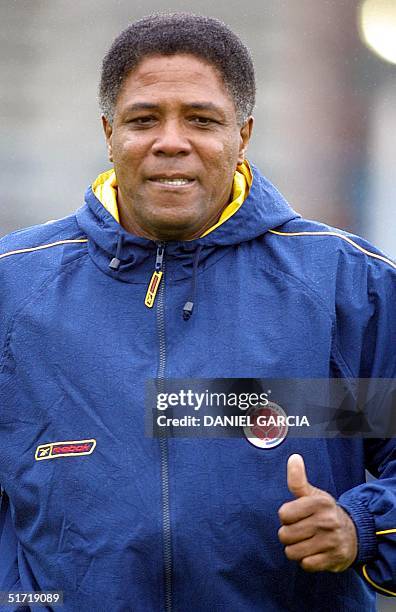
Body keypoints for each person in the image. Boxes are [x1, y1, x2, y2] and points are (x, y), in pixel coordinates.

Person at [0, 12, 395, 612]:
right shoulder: (15, 285)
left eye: (203, 120)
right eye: (143, 119)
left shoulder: (345, 285)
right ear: (109, 132)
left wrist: (362, 527)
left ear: (244, 135)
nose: (171, 141)